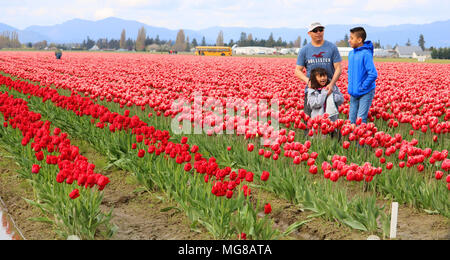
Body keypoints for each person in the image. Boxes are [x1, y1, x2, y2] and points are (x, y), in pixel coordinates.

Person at [295, 22, 342, 119]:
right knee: (309, 122)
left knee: (332, 122)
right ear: (309, 33)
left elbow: (338, 68)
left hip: (329, 90)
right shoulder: (304, 50)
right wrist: (308, 81)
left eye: (321, 30)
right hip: (312, 91)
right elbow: (297, 70)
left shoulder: (332, 48)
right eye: (315, 30)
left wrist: (332, 84)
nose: (318, 32)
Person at [347, 27, 378, 124]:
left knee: (360, 119)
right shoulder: (351, 54)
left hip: (365, 92)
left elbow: (373, 74)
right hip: (353, 92)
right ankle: (351, 139)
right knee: (351, 120)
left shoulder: (366, 54)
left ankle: (360, 139)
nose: (349, 40)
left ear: (360, 40)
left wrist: (363, 87)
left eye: (352, 38)